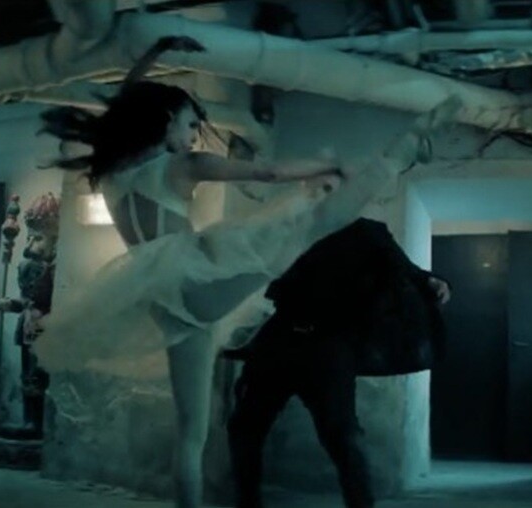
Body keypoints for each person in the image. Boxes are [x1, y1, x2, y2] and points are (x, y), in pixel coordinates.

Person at [31, 35, 463, 508]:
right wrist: (328, 165)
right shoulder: (182, 165)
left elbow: (123, 105)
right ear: (165, 120)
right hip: (192, 278)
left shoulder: (112, 171)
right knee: (310, 225)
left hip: (155, 291)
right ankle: (402, 149)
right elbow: (267, 173)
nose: (192, 136)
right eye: (190, 124)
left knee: (191, 432)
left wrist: (153, 54)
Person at [223, 218, 451, 508]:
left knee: (341, 434)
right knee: (247, 426)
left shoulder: (364, 231)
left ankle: (360, 503)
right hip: (282, 338)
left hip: (327, 347)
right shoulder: (298, 221)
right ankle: (247, 502)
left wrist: (432, 281)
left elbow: (403, 268)